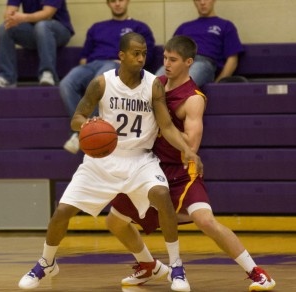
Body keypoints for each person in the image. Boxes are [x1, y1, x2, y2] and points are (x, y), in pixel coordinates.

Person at [18, 32, 196, 291]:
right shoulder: (101, 83)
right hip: (102, 159)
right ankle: (46, 262)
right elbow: (76, 118)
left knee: (162, 196)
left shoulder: (154, 85)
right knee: (62, 212)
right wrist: (89, 123)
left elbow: (166, 125)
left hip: (140, 159)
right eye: (135, 53)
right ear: (121, 56)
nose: (141, 58)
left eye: (144, 53)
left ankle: (177, 267)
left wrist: (187, 150)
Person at [107, 35, 276, 292]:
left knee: (205, 221)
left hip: (183, 172)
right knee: (114, 221)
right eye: (164, 58)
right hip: (152, 169)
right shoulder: (155, 84)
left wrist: (162, 126)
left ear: (188, 62)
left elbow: (191, 146)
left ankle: (257, 273)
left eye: (173, 60)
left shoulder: (193, 99)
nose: (167, 64)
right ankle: (147, 264)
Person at [61, 0, 155, 155]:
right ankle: (88, 131)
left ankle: (93, 134)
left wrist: (125, 62)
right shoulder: (97, 27)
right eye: (113, 1)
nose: (117, 4)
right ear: (108, 3)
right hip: (92, 64)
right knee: (66, 83)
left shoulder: (139, 27)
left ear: (127, 2)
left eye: (121, 0)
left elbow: (147, 56)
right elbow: (84, 58)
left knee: (100, 79)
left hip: (116, 64)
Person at [155, 0, 243, 87]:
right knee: (153, 84)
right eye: (198, 0)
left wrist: (218, 84)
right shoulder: (184, 27)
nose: (202, 2)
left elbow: (232, 60)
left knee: (183, 85)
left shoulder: (226, 25)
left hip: (204, 62)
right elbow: (171, 51)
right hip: (179, 61)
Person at [0, 0, 74, 88]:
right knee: (5, 27)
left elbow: (47, 14)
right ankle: (7, 77)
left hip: (59, 31)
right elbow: (8, 13)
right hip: (35, 30)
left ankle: (48, 73)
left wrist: (23, 17)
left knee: (42, 25)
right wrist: (11, 17)